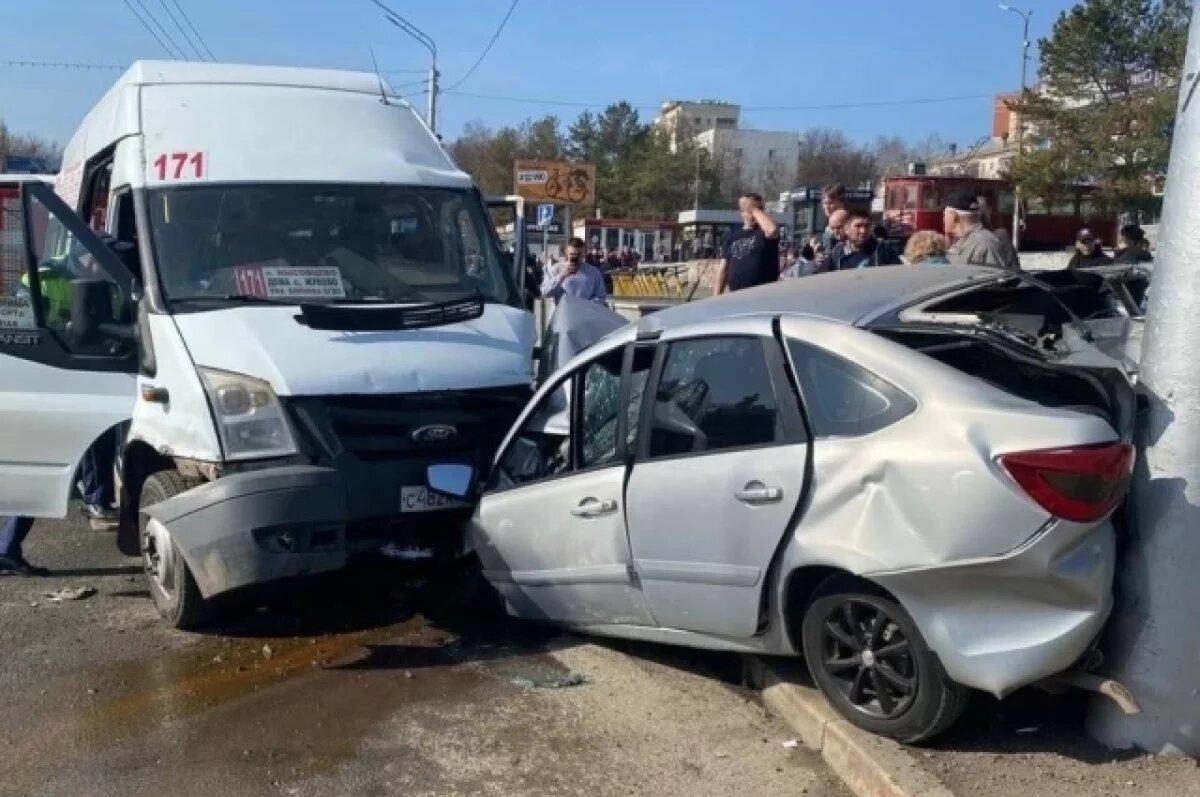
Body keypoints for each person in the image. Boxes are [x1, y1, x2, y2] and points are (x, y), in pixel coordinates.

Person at [716, 193, 780, 293]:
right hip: (736, 294)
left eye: (760, 209)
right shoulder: (732, 236)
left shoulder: (764, 233)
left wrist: (753, 209)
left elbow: (772, 230)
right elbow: (723, 269)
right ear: (742, 212)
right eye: (750, 209)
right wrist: (717, 296)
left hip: (763, 293)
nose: (756, 213)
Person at [944, 190, 1019, 269]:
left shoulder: (985, 244)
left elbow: (995, 276)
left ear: (954, 216)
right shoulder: (966, 241)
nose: (944, 219)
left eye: (945, 215)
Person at [540, 237, 607, 303]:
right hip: (562, 309)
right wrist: (562, 275)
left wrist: (585, 305)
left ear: (584, 254)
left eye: (578, 255)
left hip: (584, 309)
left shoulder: (594, 272)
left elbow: (601, 296)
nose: (575, 257)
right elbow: (545, 292)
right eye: (572, 254)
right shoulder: (556, 269)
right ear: (567, 253)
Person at [829, 210, 901, 270]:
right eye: (858, 226)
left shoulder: (883, 250)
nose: (863, 231)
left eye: (867, 226)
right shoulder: (838, 252)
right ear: (846, 229)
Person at [975, 193, 1021, 270]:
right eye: (977, 209)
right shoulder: (966, 237)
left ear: (989, 210)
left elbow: (1013, 265)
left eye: (983, 209)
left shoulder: (1001, 235)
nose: (980, 213)